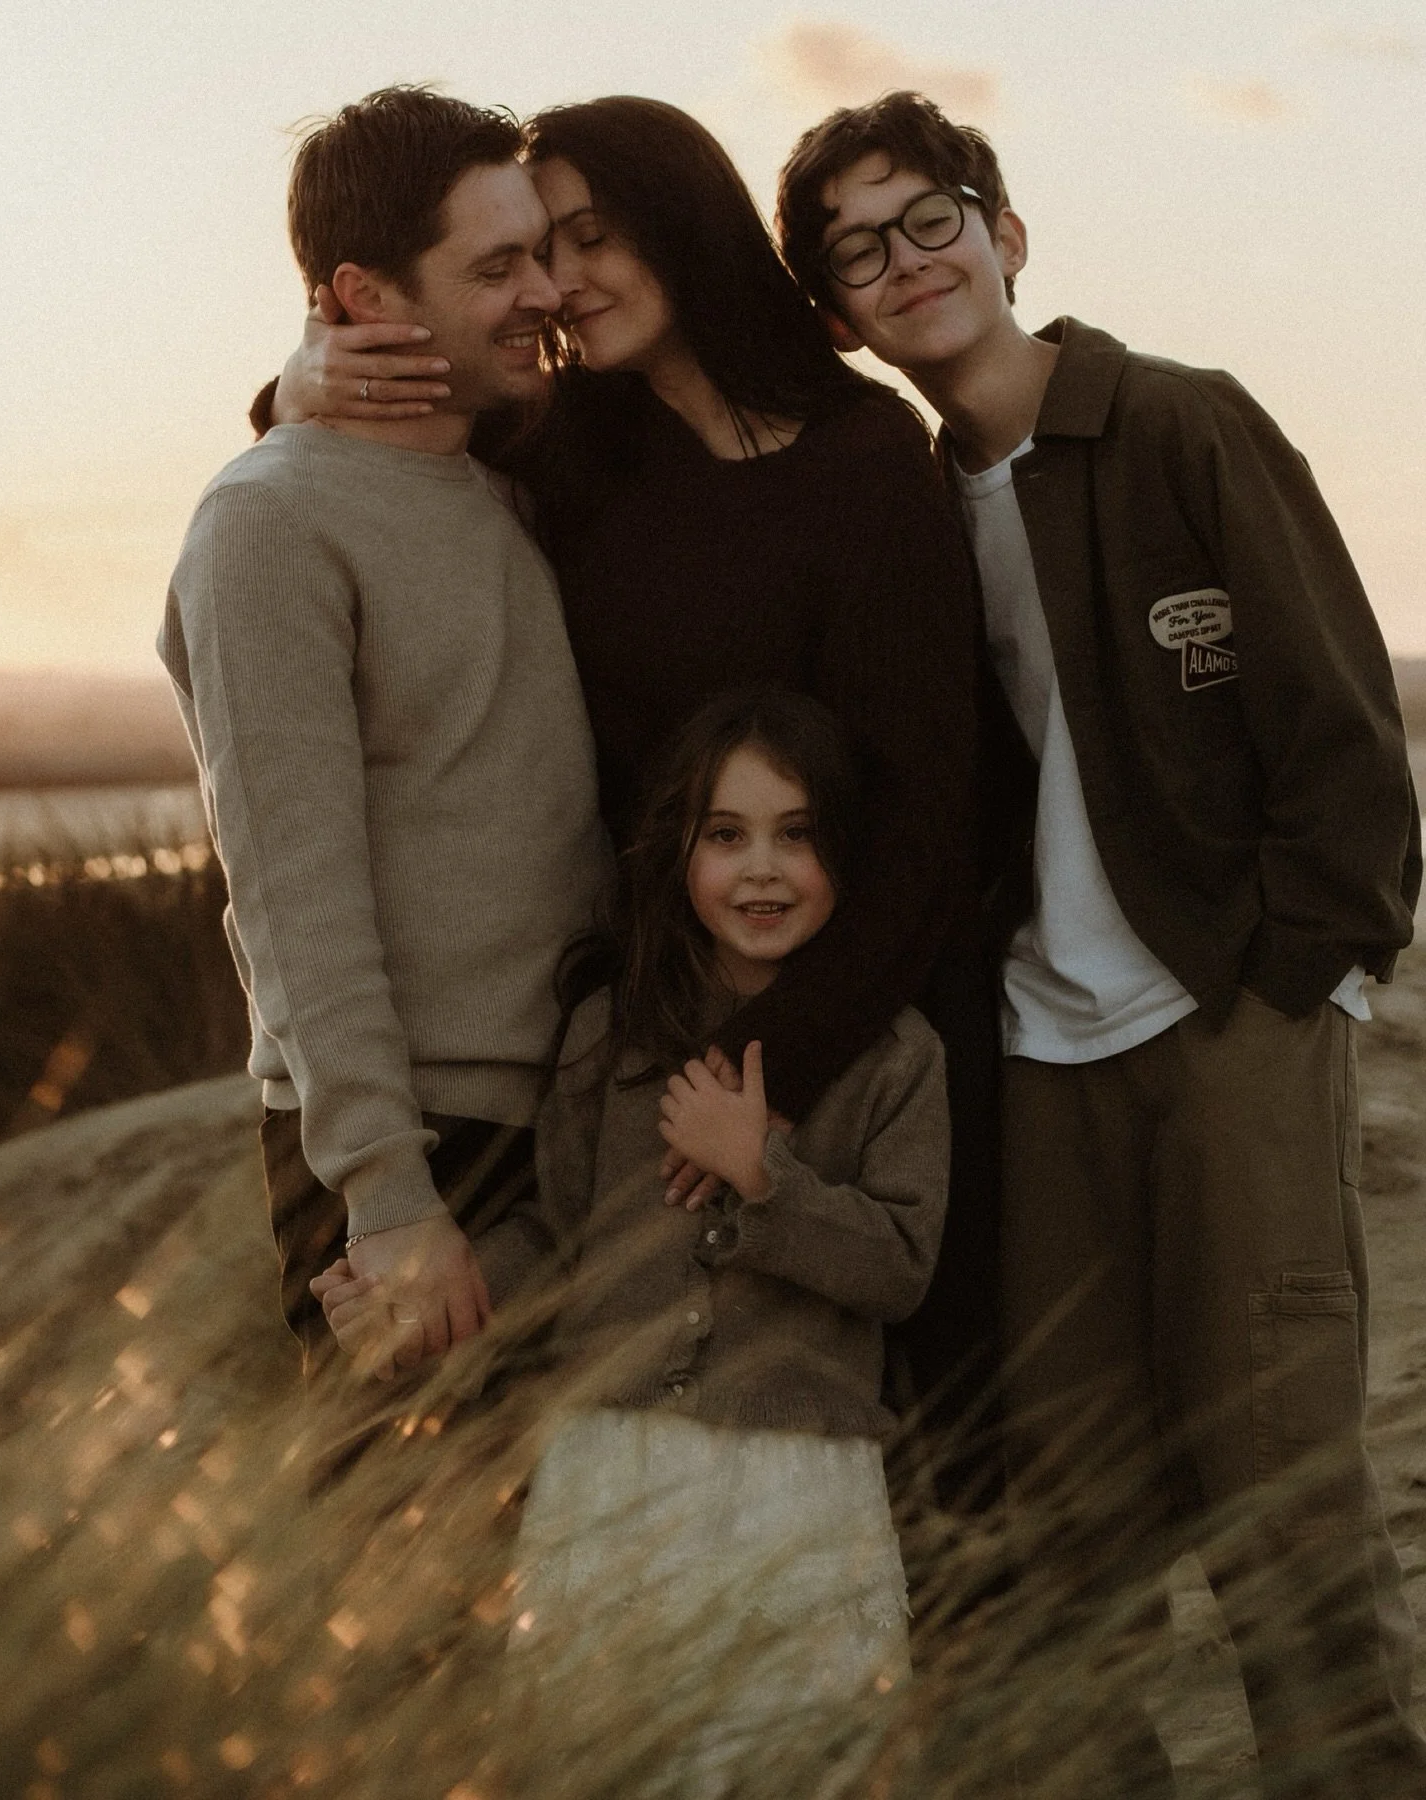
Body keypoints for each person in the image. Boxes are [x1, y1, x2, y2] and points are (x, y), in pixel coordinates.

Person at [774, 89, 1424, 1797]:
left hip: (1227, 1020)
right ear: (836, 316)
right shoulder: (911, 505)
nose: (905, 263)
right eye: (856, 251)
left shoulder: (1181, 427)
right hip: (1039, 1052)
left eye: (930, 217)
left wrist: (1301, 983)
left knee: (1278, 1483)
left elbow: (1346, 738)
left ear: (1005, 230)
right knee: (1074, 1507)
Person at [265, 94, 994, 1466]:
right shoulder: (578, 446)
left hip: (854, 1034)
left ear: (686, 230)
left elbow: (926, 816)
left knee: (915, 1467)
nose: (556, 283)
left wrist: (759, 1083)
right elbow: (379, 445)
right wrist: (298, 382)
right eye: (538, 248)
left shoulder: (865, 460)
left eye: (591, 239)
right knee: (604, 1447)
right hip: (638, 1034)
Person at [315, 687, 950, 1788]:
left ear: (842, 854)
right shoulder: (612, 1035)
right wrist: (426, 1310)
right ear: (680, 854)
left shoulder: (897, 1056)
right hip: (612, 1475)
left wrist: (763, 1178)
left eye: (796, 837)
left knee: (803, 1764)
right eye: (727, 835)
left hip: (800, 1485)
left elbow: (899, 1266)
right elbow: (557, 1235)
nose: (762, 870)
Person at [161, 88, 612, 1388]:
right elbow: (291, 892)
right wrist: (388, 1193)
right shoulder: (267, 525)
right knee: (418, 1572)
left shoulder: (520, 490)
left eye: (542, 250)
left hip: (574, 1119)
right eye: (497, 266)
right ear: (359, 297)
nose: (546, 292)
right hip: (412, 1139)